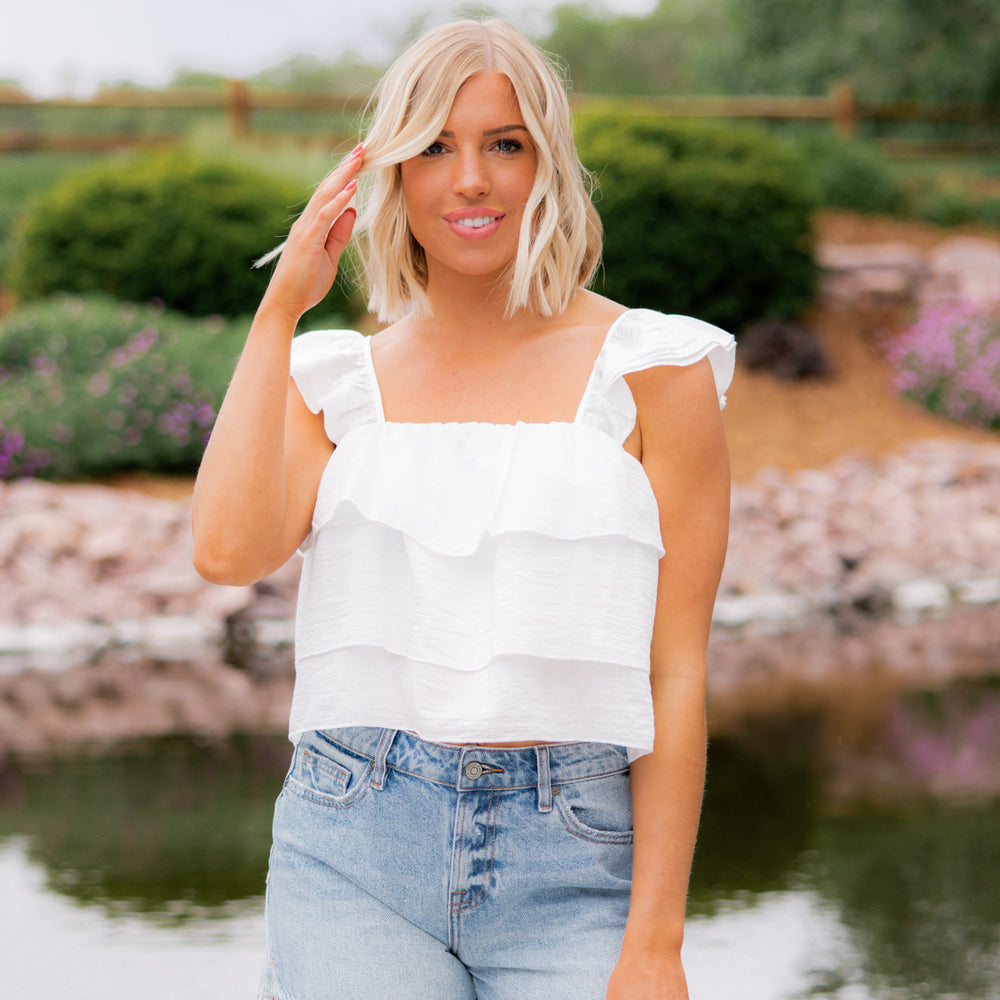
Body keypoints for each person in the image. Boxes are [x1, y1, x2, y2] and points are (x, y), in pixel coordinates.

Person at [192, 17, 734, 1000]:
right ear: (389, 172)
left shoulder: (656, 370)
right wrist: (281, 309)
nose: (469, 179)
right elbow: (228, 552)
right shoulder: (338, 381)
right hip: (351, 840)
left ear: (547, 163)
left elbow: (676, 668)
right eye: (435, 147)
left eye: (503, 144)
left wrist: (655, 942)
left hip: (576, 851)